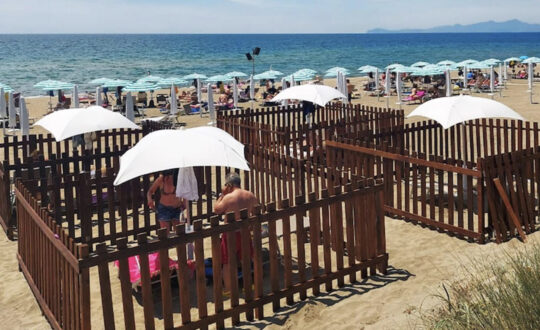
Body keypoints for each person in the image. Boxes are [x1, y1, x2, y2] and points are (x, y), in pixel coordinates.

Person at [213, 172, 258, 295]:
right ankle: (248, 284)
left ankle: (228, 289)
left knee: (227, 262)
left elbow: (216, 209)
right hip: (244, 231)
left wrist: (222, 195)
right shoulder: (250, 194)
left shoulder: (228, 197)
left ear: (229, 184)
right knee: (246, 259)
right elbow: (257, 210)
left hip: (230, 234)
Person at [147, 170, 188, 234]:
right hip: (164, 209)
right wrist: (150, 200)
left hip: (177, 208)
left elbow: (185, 191)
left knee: (179, 233)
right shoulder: (161, 179)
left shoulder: (179, 179)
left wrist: (184, 201)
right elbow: (150, 191)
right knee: (165, 234)